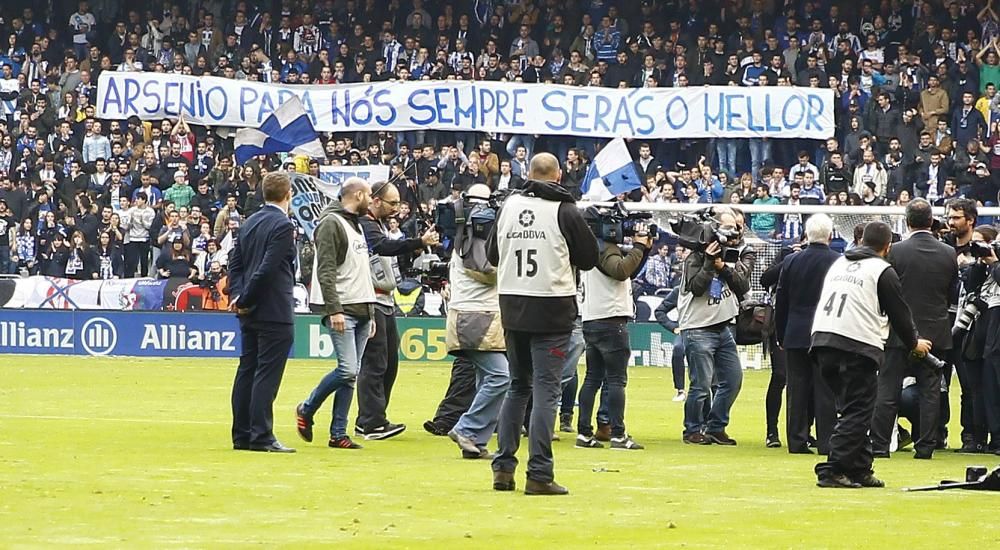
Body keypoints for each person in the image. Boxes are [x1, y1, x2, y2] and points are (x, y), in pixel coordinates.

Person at [488, 152, 599, 495]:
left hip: (512, 304)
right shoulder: (564, 209)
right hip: (551, 307)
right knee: (547, 390)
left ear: (528, 173)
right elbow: (590, 257)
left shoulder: (508, 206)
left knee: (517, 386)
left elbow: (493, 254)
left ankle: (503, 468)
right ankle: (539, 473)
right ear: (558, 174)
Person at [811, 221, 932, 488]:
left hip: (822, 341)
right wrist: (914, 343)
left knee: (856, 409)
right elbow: (900, 314)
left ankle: (859, 468)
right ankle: (832, 469)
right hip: (855, 344)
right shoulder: (881, 270)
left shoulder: (840, 263)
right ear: (888, 246)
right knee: (858, 411)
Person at [871, 200, 958, 459]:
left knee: (887, 389)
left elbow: (886, 291)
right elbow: (950, 292)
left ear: (907, 221)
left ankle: (879, 446)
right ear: (931, 221)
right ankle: (926, 447)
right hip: (935, 331)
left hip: (899, 333)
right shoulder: (948, 253)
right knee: (930, 392)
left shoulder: (896, 251)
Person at [355, 180, 439, 440]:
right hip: (372, 300)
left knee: (388, 362)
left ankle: (372, 418)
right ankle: (371, 422)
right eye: (392, 203)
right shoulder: (366, 224)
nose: (397, 209)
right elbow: (382, 246)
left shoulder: (375, 223)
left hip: (385, 299)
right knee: (376, 362)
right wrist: (418, 241)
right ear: (376, 200)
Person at [296, 177, 376, 450]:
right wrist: (334, 310)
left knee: (350, 375)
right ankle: (306, 408)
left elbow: (360, 272)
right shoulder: (332, 224)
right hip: (345, 308)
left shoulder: (354, 224)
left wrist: (371, 312)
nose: (371, 200)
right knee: (347, 370)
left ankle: (338, 433)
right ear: (356, 195)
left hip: (362, 308)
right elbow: (326, 271)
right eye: (369, 195)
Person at [227, 172, 297, 453]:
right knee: (266, 374)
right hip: (273, 309)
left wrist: (238, 296)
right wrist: (246, 296)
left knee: (247, 369)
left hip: (249, 310)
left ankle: (242, 434)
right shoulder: (282, 225)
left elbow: (236, 263)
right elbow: (268, 268)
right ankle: (262, 435)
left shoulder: (250, 222)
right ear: (288, 194)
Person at [574, 207, 650, 450]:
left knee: (593, 378)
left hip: (592, 318)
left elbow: (627, 272)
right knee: (617, 380)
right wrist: (638, 246)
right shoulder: (603, 248)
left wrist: (643, 250)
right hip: (611, 319)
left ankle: (584, 433)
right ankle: (618, 434)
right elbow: (620, 271)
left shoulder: (587, 248)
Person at [445, 184, 510, 459]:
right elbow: (487, 272)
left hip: (478, 317)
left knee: (488, 379)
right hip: (475, 317)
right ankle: (467, 428)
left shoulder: (466, 238)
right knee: (500, 377)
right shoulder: (473, 241)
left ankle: (475, 443)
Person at [678, 207, 751, 445]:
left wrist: (723, 267)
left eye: (735, 228)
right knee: (700, 386)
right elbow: (697, 288)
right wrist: (710, 263)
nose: (733, 233)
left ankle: (716, 426)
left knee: (732, 380)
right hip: (698, 328)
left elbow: (742, 285)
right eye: (728, 228)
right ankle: (692, 430)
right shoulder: (694, 258)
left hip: (723, 327)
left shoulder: (732, 256)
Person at [774, 214, 841, 455]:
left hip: (796, 332)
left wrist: (781, 333)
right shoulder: (838, 262)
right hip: (826, 332)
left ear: (807, 234)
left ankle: (796, 440)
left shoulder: (792, 261)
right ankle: (826, 442)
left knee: (796, 388)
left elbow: (781, 299)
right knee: (826, 390)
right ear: (830, 235)